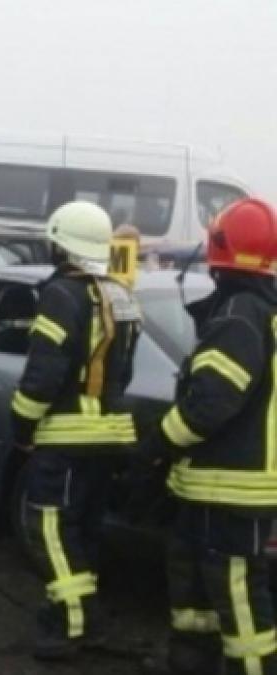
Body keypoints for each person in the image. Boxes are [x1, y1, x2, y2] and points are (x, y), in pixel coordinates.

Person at [142, 198, 277, 675]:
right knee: (197, 596)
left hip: (229, 492)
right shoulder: (261, 312)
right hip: (222, 491)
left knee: (240, 603)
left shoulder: (239, 316)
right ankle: (191, 664)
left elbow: (209, 405)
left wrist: (157, 443)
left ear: (218, 249)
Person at [9, 201, 142, 661]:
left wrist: (22, 424)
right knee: (83, 530)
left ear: (61, 244)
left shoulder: (61, 294)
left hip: (67, 436)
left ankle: (71, 623)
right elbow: (124, 371)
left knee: (48, 526)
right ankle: (86, 617)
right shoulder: (121, 293)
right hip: (110, 434)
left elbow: (44, 374)